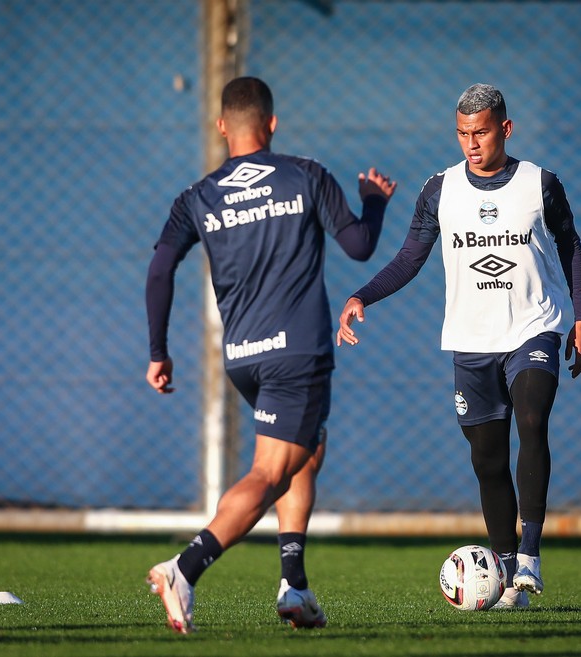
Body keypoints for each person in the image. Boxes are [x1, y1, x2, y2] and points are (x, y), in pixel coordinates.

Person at [144, 76, 397, 633]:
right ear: (273, 123)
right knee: (271, 469)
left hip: (245, 357)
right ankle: (183, 569)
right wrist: (374, 203)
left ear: (221, 128)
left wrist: (158, 351)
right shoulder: (304, 174)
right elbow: (359, 246)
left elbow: (160, 269)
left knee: (307, 449)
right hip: (297, 353)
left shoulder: (197, 196)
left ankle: (295, 585)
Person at [336, 83, 581, 610]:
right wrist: (363, 295)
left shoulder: (540, 183)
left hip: (533, 329)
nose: (471, 143)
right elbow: (410, 258)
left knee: (533, 420)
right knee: (487, 460)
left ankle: (529, 556)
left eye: (481, 132)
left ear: (505, 128)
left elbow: (570, 246)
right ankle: (504, 577)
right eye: (462, 133)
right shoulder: (439, 190)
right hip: (471, 342)